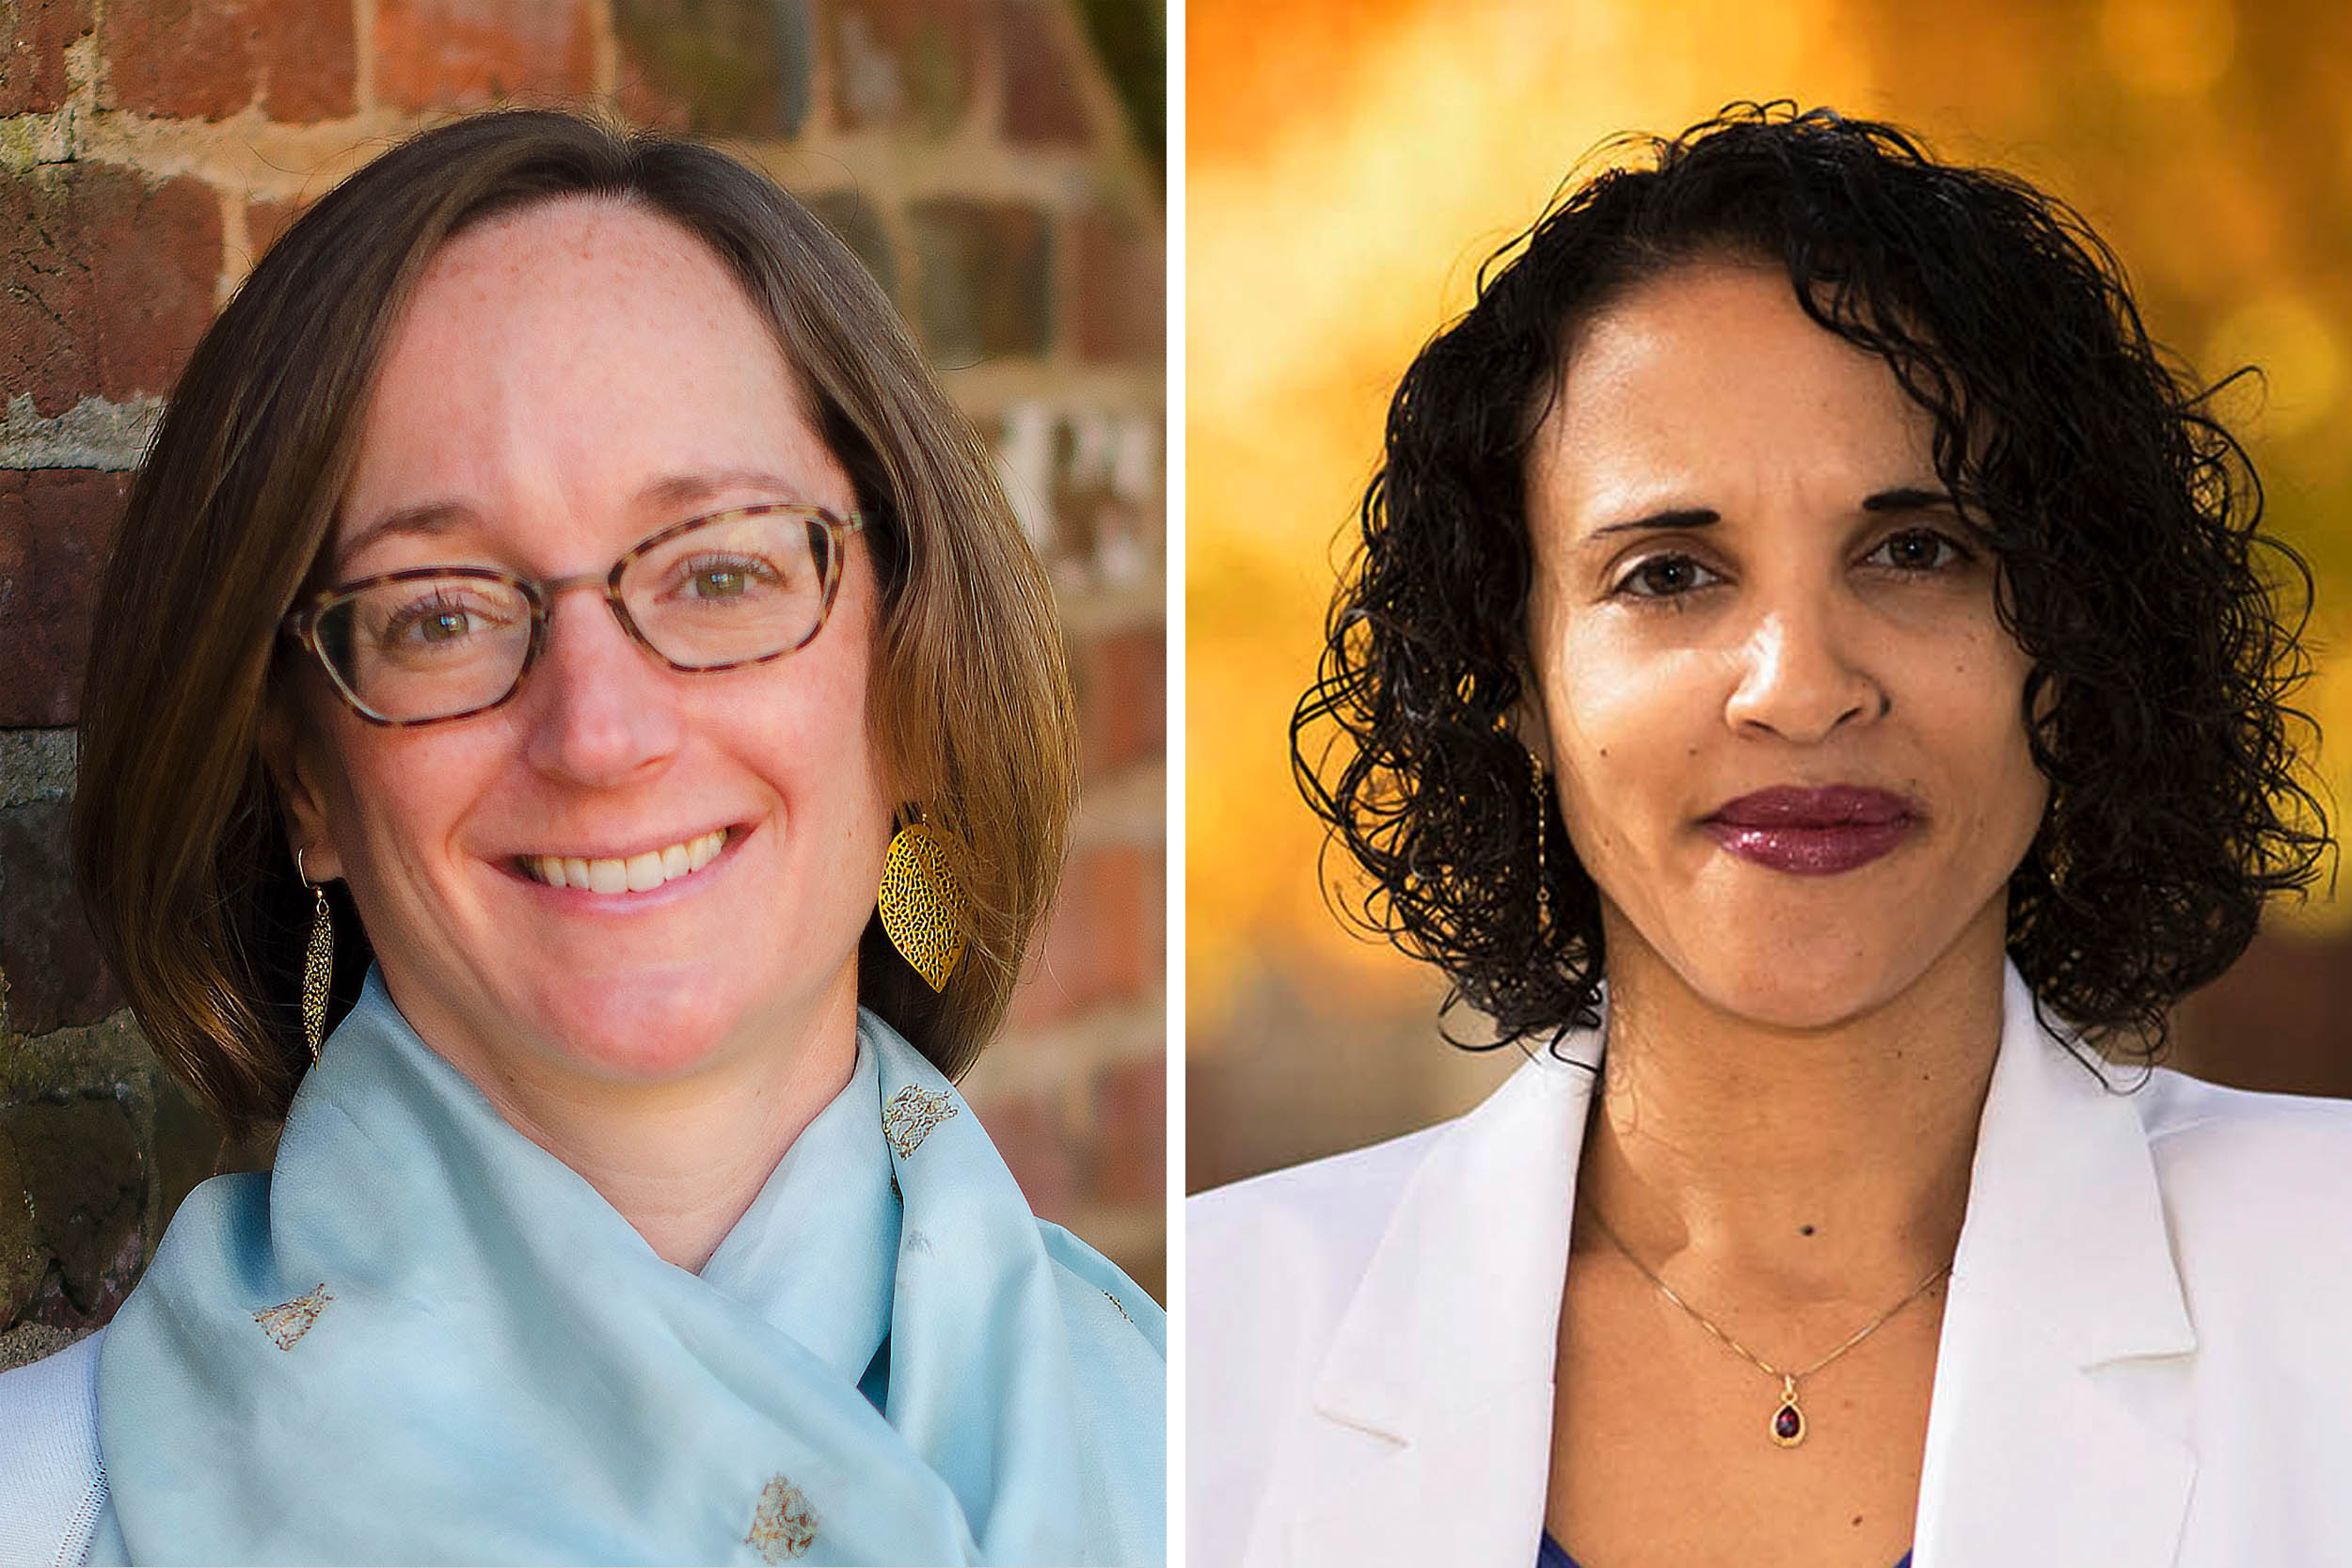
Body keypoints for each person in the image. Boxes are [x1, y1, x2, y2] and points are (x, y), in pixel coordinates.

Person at [1189, 104, 2348, 1568]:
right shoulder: (1212, 1349)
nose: (1800, 686)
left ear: (2072, 638)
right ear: (1524, 682)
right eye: (1670, 573)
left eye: (1918, 550)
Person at [0, 109, 1164, 1566]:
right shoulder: (38, 1511)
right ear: (302, 784)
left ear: (910, 687)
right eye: (441, 613)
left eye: (723, 571)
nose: (600, 731)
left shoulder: (1229, 1463)